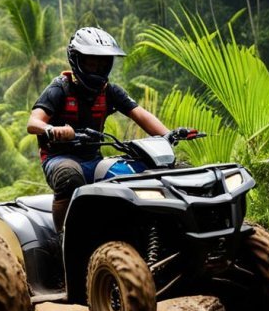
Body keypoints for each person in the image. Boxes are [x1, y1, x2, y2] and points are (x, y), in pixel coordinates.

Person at [27, 27, 171, 234]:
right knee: (70, 176)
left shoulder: (110, 91)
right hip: (59, 158)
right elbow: (33, 123)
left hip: (95, 161)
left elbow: (140, 114)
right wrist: (53, 130)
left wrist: (167, 136)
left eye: (102, 63)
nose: (97, 67)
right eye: (91, 62)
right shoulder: (60, 88)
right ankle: (64, 240)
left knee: (139, 174)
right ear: (76, 60)